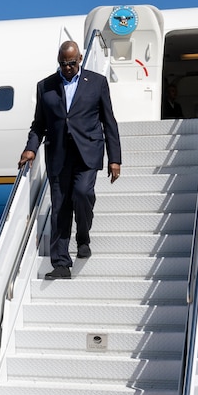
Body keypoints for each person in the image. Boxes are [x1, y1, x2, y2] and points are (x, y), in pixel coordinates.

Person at [18, 40, 122, 280]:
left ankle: (83, 236)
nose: (67, 68)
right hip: (59, 155)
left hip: (88, 151)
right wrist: (30, 149)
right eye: (63, 64)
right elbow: (39, 125)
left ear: (81, 59)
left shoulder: (96, 83)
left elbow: (109, 121)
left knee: (83, 193)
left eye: (71, 63)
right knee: (60, 209)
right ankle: (61, 264)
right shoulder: (45, 86)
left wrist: (114, 158)